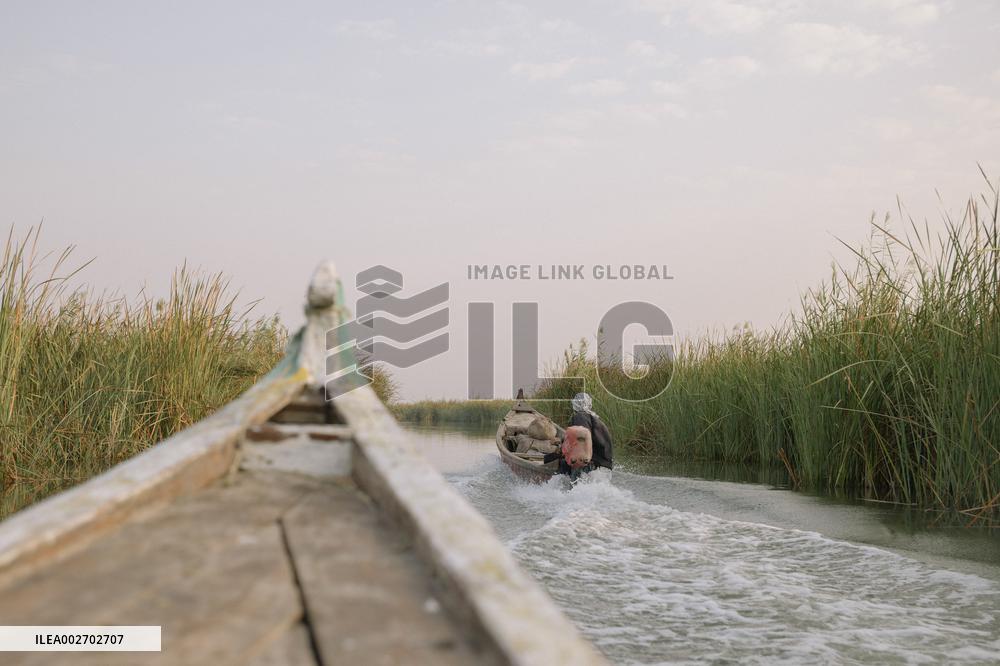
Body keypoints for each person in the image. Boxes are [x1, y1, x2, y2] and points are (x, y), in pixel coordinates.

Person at [567, 392, 613, 470]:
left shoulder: (580, 417)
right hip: (604, 465)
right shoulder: (594, 417)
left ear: (575, 403)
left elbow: (582, 440)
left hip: (593, 465)